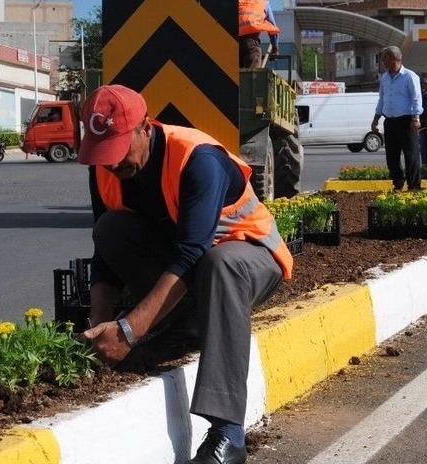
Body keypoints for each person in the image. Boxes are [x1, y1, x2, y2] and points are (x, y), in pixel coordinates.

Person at [79, 85, 293, 464]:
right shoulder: (106, 170)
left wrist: (129, 331)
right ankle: (185, 328)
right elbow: (105, 255)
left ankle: (228, 432)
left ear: (145, 127)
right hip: (194, 272)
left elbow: (193, 253)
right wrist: (100, 325)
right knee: (110, 229)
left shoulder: (197, 159)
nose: (112, 164)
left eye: (118, 149)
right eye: (103, 153)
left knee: (219, 263)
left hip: (250, 259)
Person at [371, 46, 423, 191]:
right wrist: (376, 118)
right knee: (391, 157)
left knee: (411, 155)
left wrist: (416, 118)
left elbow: (416, 98)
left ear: (393, 58)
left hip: (407, 121)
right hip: (390, 122)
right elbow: (382, 99)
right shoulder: (385, 78)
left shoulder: (410, 76)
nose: (382, 62)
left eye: (384, 58)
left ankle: (414, 186)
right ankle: (398, 181)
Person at [238, 0, 279, 68]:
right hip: (251, 44)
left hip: (233, 43)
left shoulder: (238, 2)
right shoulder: (264, 4)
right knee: (252, 77)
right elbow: (273, 28)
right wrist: (275, 49)